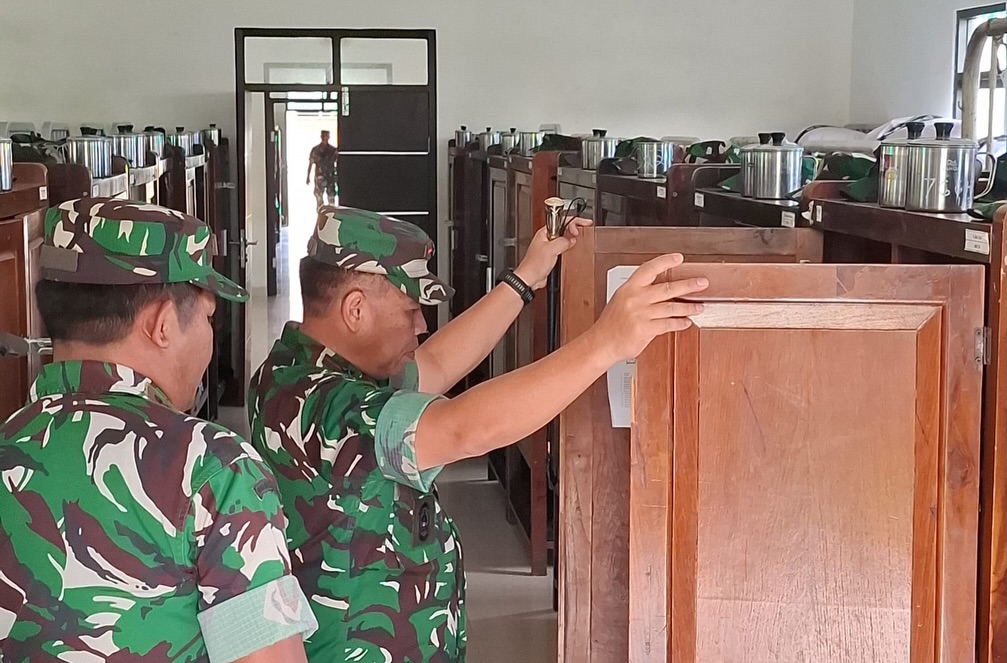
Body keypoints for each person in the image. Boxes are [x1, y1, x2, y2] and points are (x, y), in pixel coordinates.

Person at [247, 206, 708, 662]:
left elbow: (437, 364)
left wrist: (525, 278)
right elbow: (465, 429)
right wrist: (606, 343)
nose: (421, 325)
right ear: (355, 310)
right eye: (411, 309)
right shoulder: (327, 405)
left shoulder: (297, 368)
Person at [0, 199, 317, 662]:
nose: (210, 335)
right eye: (208, 318)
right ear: (163, 324)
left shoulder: (10, 444)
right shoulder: (216, 471)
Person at [307, 130, 338, 210]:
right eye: (324, 136)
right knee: (319, 197)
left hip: (330, 176)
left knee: (331, 197)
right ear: (321, 137)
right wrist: (308, 176)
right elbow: (311, 163)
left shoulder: (333, 150)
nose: (325, 138)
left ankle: (332, 213)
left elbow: (338, 163)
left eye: (327, 136)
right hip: (320, 176)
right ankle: (320, 213)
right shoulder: (315, 150)